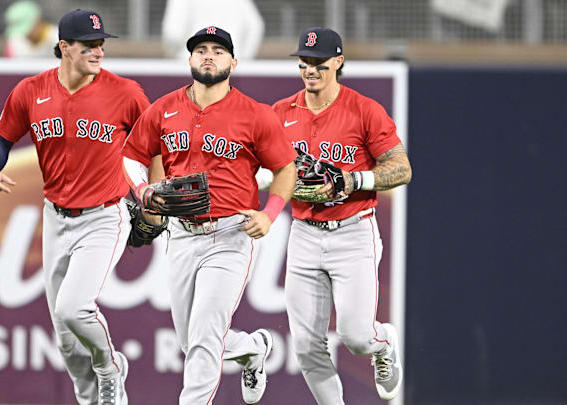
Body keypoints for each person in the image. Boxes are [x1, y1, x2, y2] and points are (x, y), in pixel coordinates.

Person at [0, 9, 150, 405]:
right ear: (63, 48)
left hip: (105, 215)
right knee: (66, 336)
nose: (98, 51)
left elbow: (154, 140)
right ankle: (90, 399)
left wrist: (149, 192)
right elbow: (0, 138)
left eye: (101, 44)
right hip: (56, 217)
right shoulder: (31, 90)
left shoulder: (125, 93)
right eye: (88, 44)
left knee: (74, 308)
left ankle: (111, 368)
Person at [122, 26, 297, 405]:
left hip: (231, 235)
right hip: (182, 235)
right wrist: (143, 191)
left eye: (218, 51)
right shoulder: (164, 108)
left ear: (233, 61)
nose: (208, 56)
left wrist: (270, 213)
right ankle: (252, 349)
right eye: (200, 49)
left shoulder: (255, 115)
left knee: (203, 338)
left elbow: (286, 168)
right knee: (191, 340)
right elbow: (133, 155)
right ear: (189, 59)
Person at [272, 27, 412, 404]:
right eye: (304, 61)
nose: (310, 68)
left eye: (318, 62)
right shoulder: (281, 113)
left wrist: (352, 179)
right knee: (305, 344)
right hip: (303, 232)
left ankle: (383, 344)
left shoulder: (363, 109)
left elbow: (401, 168)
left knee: (355, 336)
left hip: (353, 230)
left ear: (338, 61)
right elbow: (260, 167)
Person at [161, 0, 264, 59]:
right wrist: (242, 58)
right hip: (229, 66)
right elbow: (255, 26)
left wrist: (177, 56)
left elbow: (173, 34)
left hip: (190, 64)